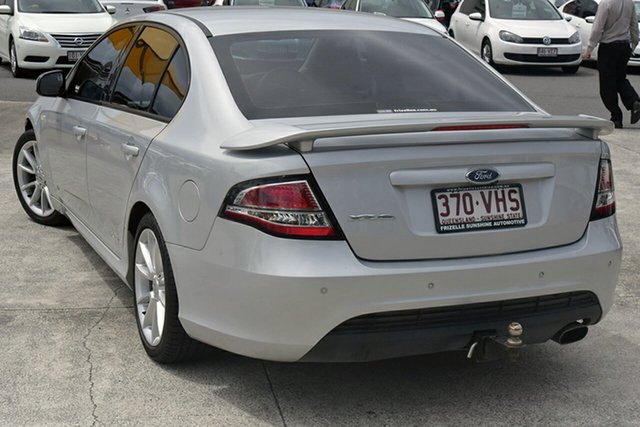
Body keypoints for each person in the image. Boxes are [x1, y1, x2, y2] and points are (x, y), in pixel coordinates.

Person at [584, 0, 640, 128]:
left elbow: (597, 28)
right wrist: (633, 44)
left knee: (607, 84)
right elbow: (634, 25)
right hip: (624, 45)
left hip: (608, 47)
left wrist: (589, 49)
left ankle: (616, 117)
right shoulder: (629, 3)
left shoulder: (606, 3)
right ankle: (634, 102)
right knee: (620, 79)